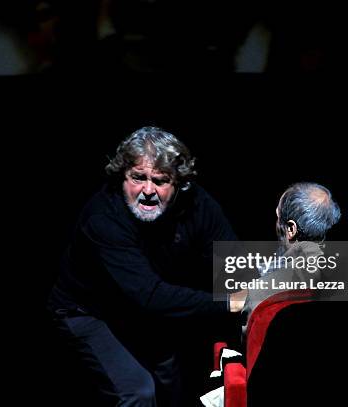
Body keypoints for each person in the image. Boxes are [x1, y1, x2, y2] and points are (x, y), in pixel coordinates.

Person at [48, 126, 246, 406]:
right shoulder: (104, 218)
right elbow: (150, 295)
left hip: (138, 310)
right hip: (87, 312)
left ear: (179, 183)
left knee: (172, 380)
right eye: (137, 178)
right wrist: (230, 302)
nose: (148, 191)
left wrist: (267, 285)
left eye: (160, 180)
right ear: (122, 177)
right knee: (137, 391)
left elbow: (233, 257)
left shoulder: (197, 204)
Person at [242, 182, 342, 321]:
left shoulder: (260, 294)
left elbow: (250, 339)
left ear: (291, 229)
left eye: (278, 215)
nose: (276, 223)